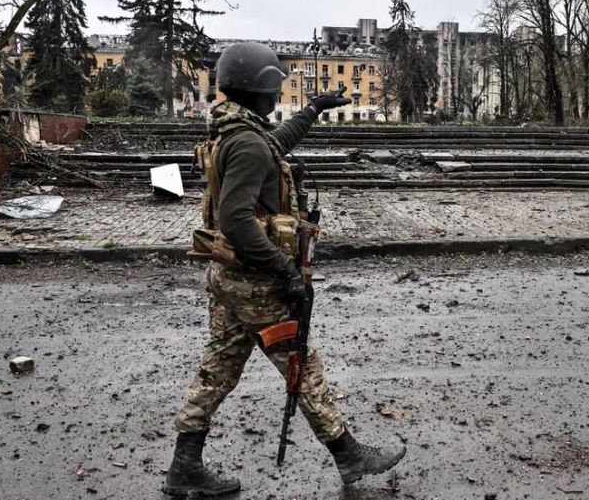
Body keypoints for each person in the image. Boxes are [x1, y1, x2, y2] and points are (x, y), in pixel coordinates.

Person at [163, 42, 406, 497]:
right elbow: (236, 219)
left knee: (217, 369)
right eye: (276, 85)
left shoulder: (232, 132)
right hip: (256, 283)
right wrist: (283, 269)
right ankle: (348, 454)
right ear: (262, 89)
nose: (278, 95)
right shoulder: (247, 142)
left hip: (229, 278)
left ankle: (184, 466)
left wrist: (313, 109)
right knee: (302, 362)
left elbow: (275, 145)